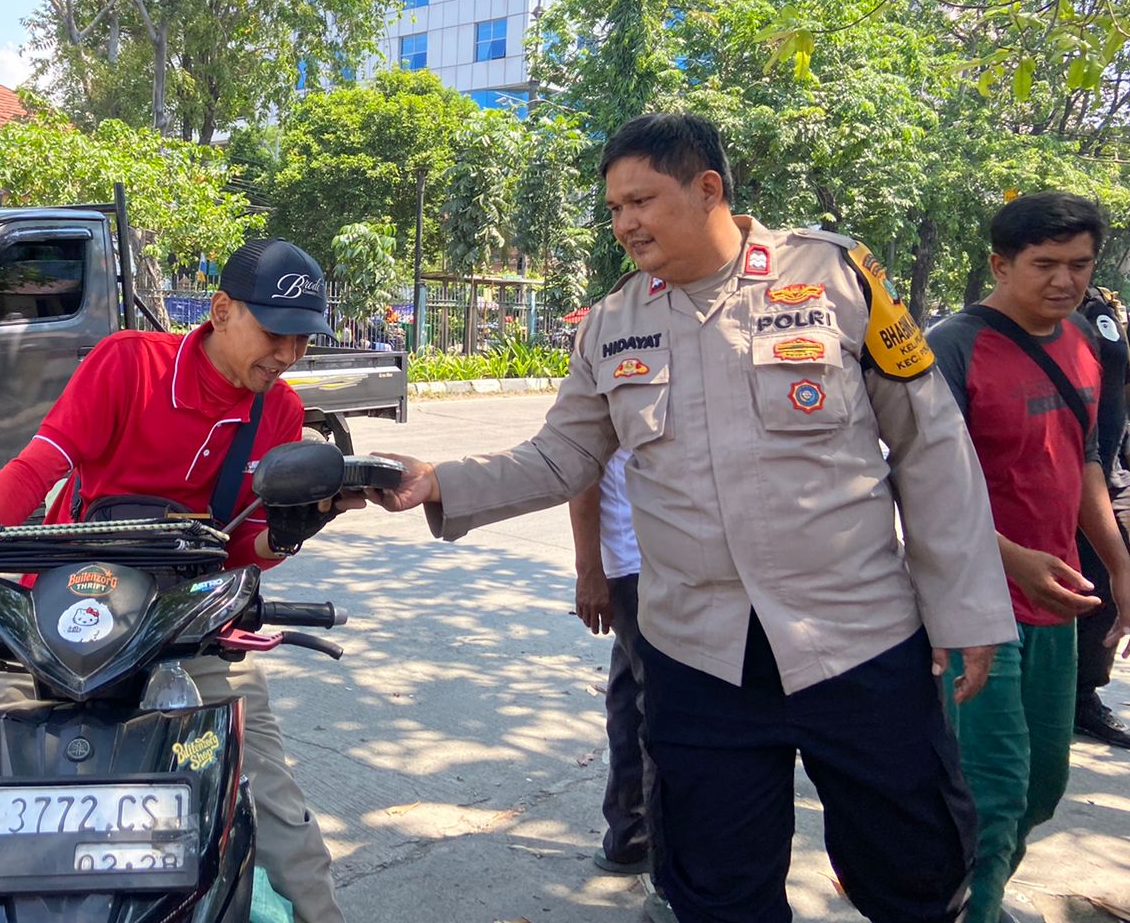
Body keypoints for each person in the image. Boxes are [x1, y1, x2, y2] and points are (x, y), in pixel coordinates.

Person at [369, 112, 1016, 923]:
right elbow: (562, 456)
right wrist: (437, 482)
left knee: (915, 875)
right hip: (699, 658)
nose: (624, 223)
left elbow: (930, 443)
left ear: (708, 189)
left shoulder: (834, 276)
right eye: (614, 208)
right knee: (716, 892)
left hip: (859, 640)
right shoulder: (614, 323)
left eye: (641, 200)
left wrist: (964, 609)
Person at [0, 238, 350, 923]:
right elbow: (35, 471)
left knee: (287, 836)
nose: (288, 354)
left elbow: (240, 551)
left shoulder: (280, 413)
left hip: (184, 631)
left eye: (303, 339)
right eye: (275, 332)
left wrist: (287, 533)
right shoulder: (129, 365)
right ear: (221, 310)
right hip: (51, 625)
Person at [926, 193, 1130, 923]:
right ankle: (972, 906)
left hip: (1056, 599)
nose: (1064, 280)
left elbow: (1084, 461)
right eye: (1045, 264)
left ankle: (961, 895)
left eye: (1080, 264)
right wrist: (1011, 559)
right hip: (973, 603)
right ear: (1000, 264)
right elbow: (922, 487)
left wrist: (1118, 562)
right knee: (994, 790)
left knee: (1043, 786)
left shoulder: (1082, 341)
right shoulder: (951, 348)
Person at [570, 446, 670, 918]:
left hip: (649, 567)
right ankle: (671, 881)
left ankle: (628, 838)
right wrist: (589, 571)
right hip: (639, 569)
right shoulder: (603, 394)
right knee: (665, 722)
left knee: (631, 704)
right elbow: (580, 475)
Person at [1074, 283, 1130, 748]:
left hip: (1109, 467)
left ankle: (1083, 694)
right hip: (1062, 469)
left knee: (1113, 570)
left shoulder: (1103, 307)